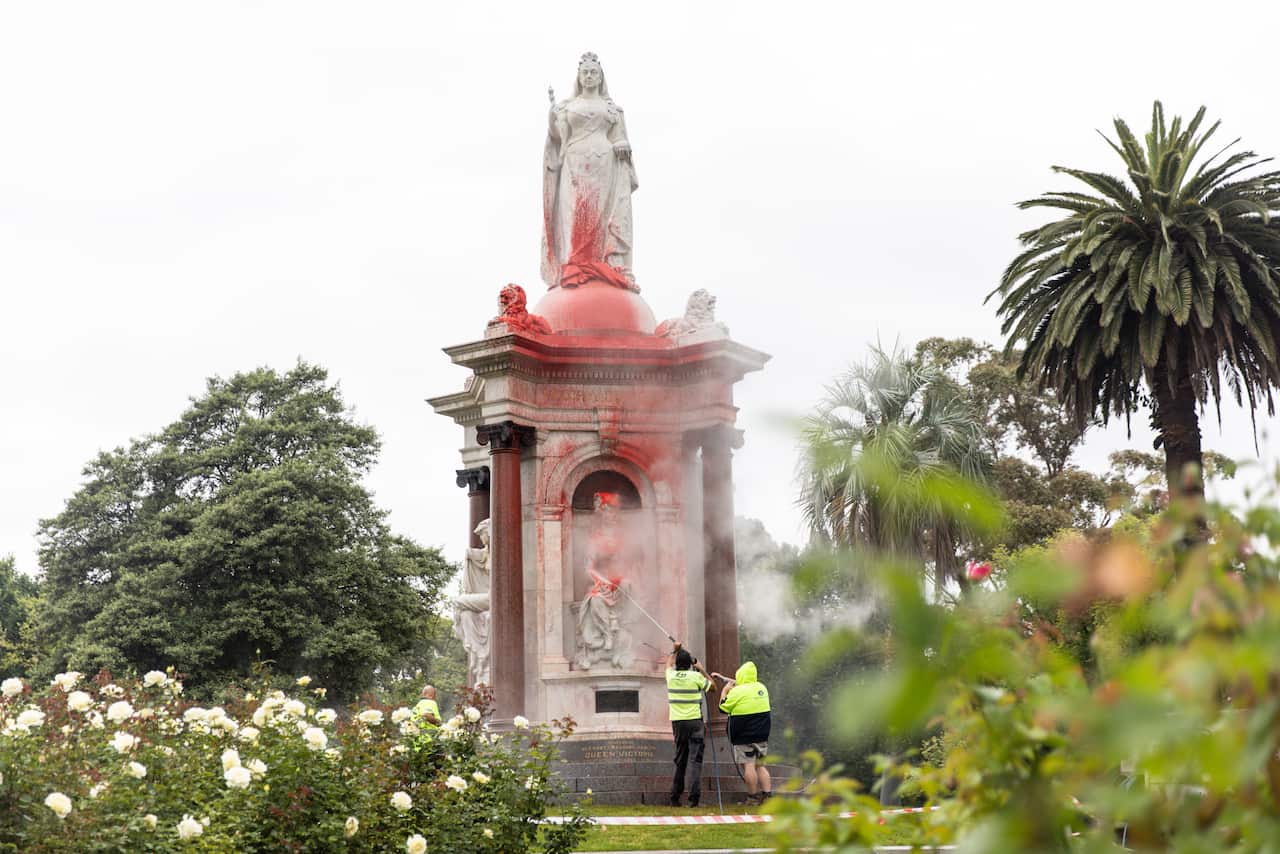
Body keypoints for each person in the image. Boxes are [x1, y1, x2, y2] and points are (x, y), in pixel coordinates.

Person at [541, 52, 638, 291]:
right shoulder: (567, 107)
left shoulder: (612, 109)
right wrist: (552, 119)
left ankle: (602, 262)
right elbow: (557, 138)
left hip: (604, 163)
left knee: (600, 214)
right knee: (575, 212)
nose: (589, 76)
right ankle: (574, 265)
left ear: (600, 76)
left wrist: (622, 145)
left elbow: (619, 137)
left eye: (593, 72)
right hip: (574, 163)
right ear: (579, 76)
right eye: (585, 72)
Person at [717, 661, 772, 805]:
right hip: (762, 735)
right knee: (760, 765)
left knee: (749, 765)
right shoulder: (762, 687)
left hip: (744, 736)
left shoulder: (737, 692)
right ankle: (767, 796)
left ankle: (752, 798)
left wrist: (725, 691)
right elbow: (747, 689)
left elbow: (722, 708)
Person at [665, 641, 713, 807]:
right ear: (690, 664)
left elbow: (668, 663)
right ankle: (693, 800)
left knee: (680, 760)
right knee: (695, 760)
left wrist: (674, 650)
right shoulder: (696, 677)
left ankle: (674, 797)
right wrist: (702, 669)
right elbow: (713, 687)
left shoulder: (671, 676)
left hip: (678, 723)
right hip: (695, 722)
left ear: (677, 664)